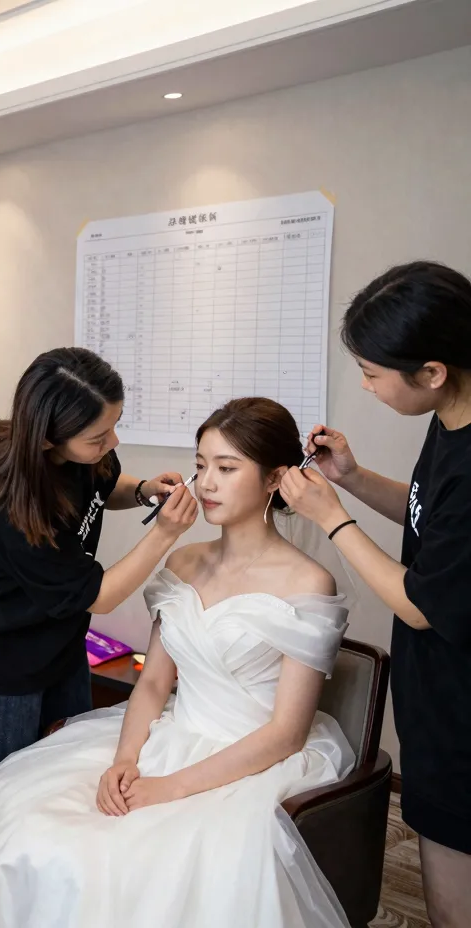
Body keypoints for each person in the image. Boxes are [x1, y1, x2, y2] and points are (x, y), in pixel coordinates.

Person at [0, 397, 353, 928]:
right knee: (23, 818)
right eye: (199, 465)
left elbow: (285, 734)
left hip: (249, 761)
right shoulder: (185, 562)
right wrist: (125, 760)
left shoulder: (308, 582)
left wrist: (166, 787)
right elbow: (152, 686)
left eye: (226, 468)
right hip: (162, 730)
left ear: (274, 479)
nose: (205, 484)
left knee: (132, 866)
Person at [279, 261, 471, 927]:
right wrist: (353, 478)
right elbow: (429, 517)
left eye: (372, 373)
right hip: (436, 686)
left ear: (433, 370)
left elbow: (421, 598)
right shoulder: (452, 413)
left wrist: (332, 516)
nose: (366, 386)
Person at [0, 347, 197, 809]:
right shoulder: (8, 503)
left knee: (61, 774)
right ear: (46, 439)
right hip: (2, 656)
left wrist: (143, 492)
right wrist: (165, 535)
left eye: (116, 425)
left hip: (59, 642)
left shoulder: (81, 456)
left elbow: (103, 489)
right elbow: (98, 596)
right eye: (99, 437)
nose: (113, 442)